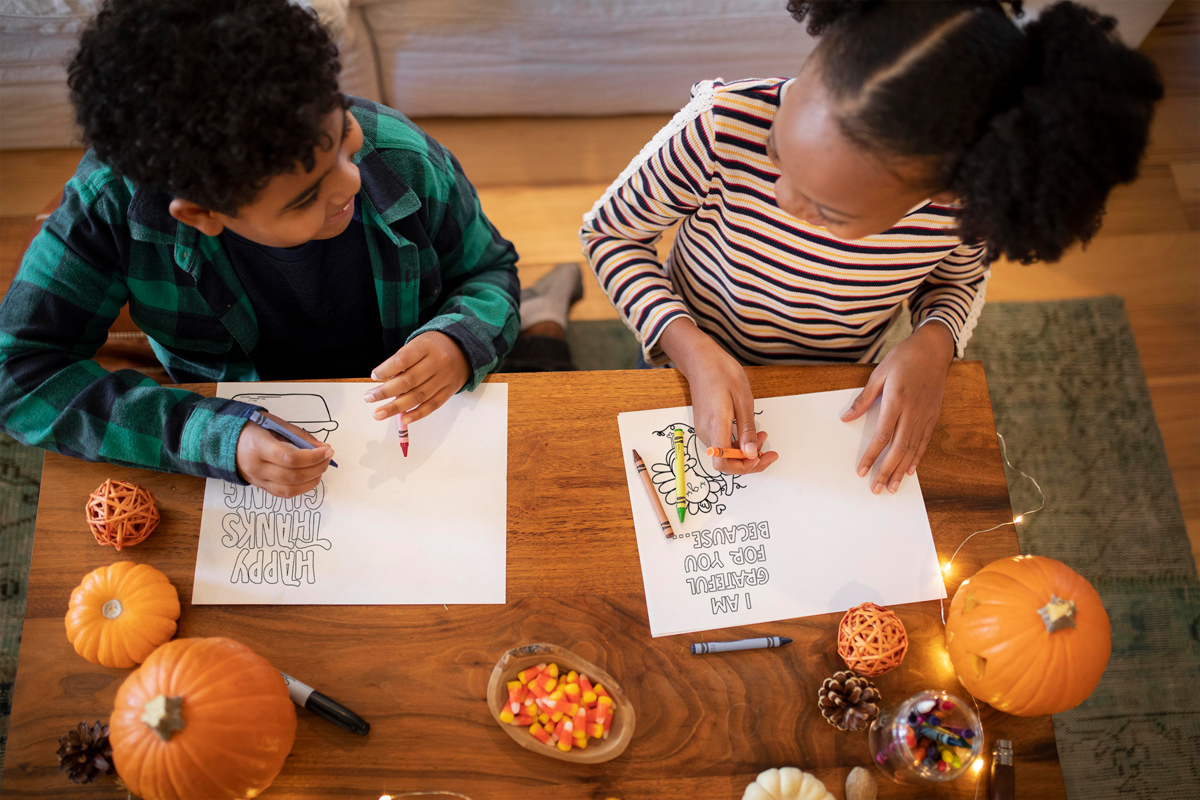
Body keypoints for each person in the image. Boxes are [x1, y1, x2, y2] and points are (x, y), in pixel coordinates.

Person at [579, 0, 1162, 494]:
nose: (782, 197)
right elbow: (608, 233)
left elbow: (956, 280)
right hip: (685, 357)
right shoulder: (722, 127)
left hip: (840, 383)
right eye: (779, 152)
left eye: (829, 211)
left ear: (942, 193)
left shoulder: (961, 209)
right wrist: (690, 350)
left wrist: (936, 341)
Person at [0, 0, 527, 498]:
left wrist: (460, 342)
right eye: (304, 199)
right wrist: (213, 437)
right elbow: (18, 374)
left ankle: (545, 319)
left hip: (409, 402)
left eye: (345, 136)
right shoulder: (110, 208)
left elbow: (490, 270)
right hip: (235, 411)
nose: (351, 183)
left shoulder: (401, 156)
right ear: (201, 214)